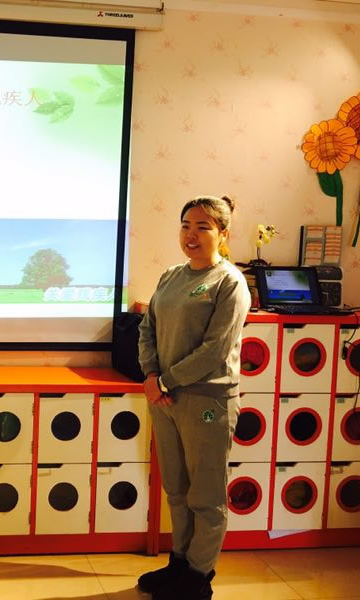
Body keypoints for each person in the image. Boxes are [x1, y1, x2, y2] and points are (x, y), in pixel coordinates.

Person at [136, 195, 251, 600]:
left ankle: (199, 577)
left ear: (223, 234)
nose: (191, 234)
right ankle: (179, 563)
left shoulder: (229, 282)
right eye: (186, 225)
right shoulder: (171, 276)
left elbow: (215, 349)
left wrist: (165, 381)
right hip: (165, 398)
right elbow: (147, 328)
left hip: (207, 401)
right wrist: (151, 375)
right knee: (176, 489)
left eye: (203, 227)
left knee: (206, 495)